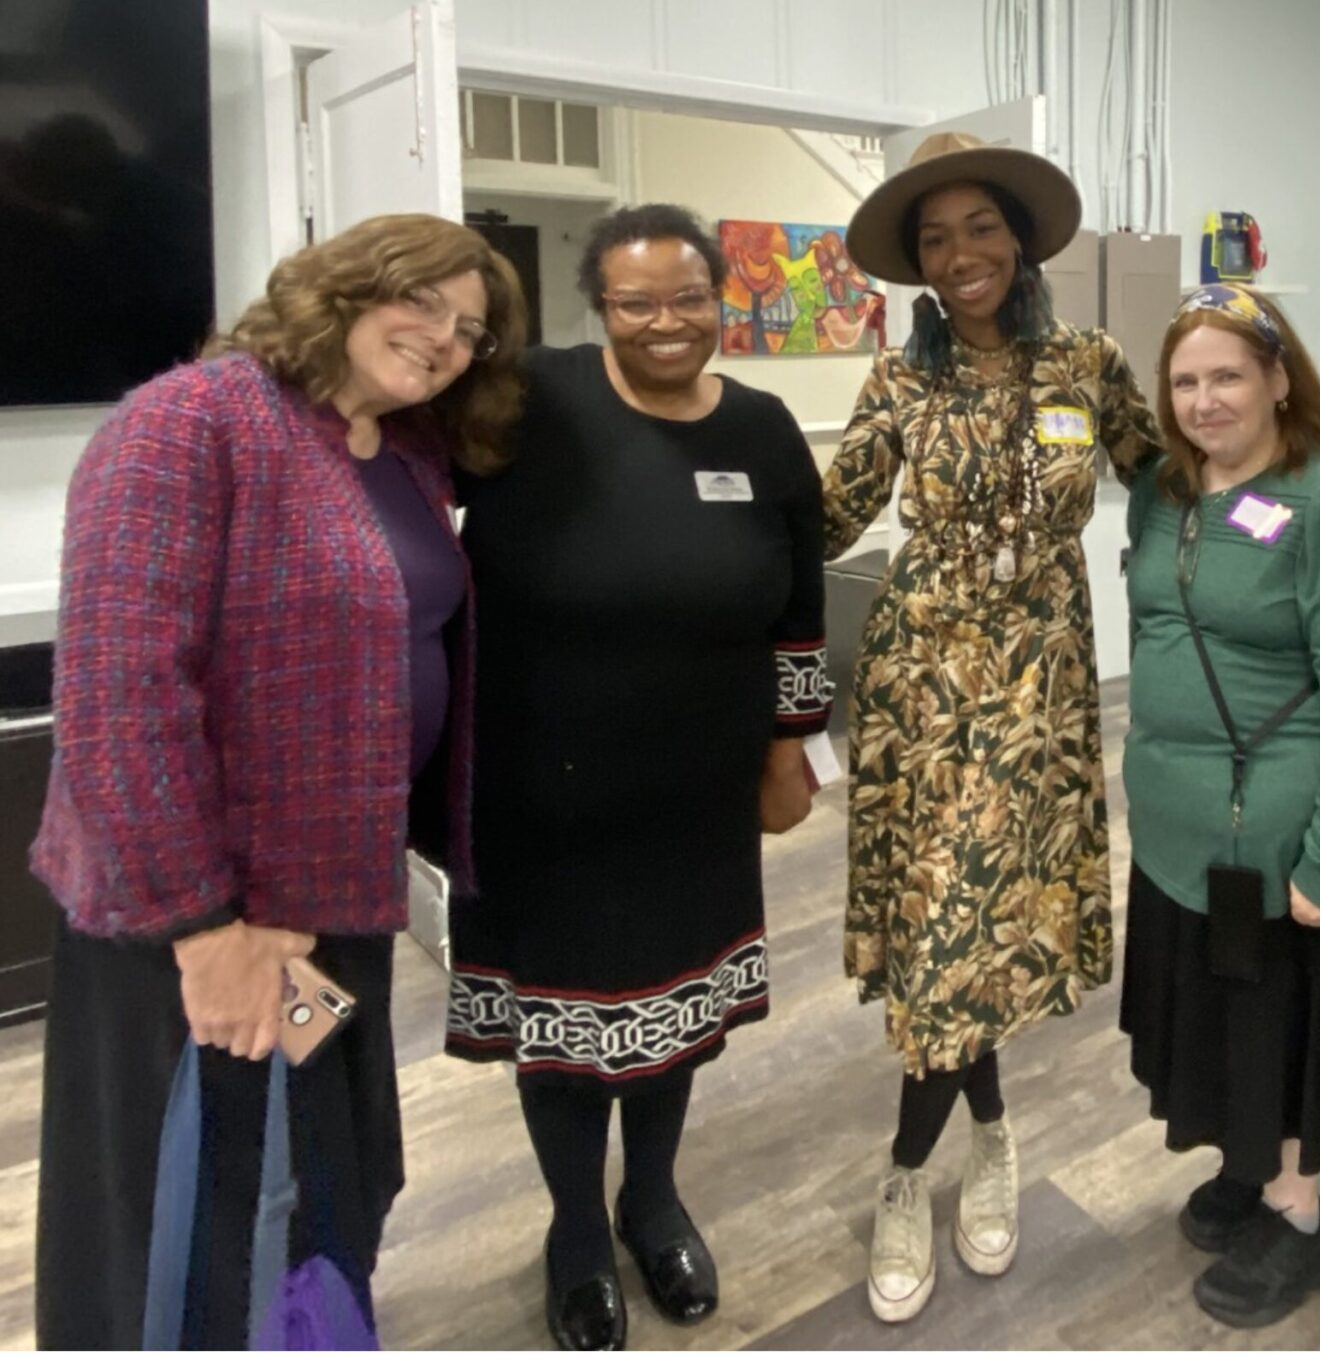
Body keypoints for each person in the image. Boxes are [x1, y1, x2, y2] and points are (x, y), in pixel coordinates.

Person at [31, 213, 527, 1349]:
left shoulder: (401, 448)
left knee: (319, 1179)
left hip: (330, 902)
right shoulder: (190, 420)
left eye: (468, 330)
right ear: (344, 287)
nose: (446, 339)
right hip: (199, 918)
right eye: (425, 304)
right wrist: (207, 933)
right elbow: (120, 698)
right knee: (191, 1211)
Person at [443, 204, 829, 1350]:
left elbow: (799, 612)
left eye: (689, 297)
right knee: (560, 1023)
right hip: (540, 790)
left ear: (722, 299)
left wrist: (787, 748)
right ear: (598, 306)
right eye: (636, 301)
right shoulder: (529, 401)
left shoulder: (762, 432)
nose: (667, 323)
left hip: (695, 789)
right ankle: (573, 1227)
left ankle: (650, 1199)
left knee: (678, 1008)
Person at [823, 131, 1161, 1322]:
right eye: (934, 238)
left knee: (993, 927)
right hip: (926, 690)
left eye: (979, 227)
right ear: (916, 265)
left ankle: (988, 1133)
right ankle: (917, 1169)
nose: (959, 254)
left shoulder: (1085, 362)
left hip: (1046, 684)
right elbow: (824, 520)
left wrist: (1300, 513)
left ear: (1017, 238)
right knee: (942, 926)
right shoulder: (900, 380)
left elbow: (1170, 473)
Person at [1119, 284, 1320, 1329]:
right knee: (1219, 1020)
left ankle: (1300, 1217)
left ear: (1281, 380)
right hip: (1178, 833)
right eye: (1186, 380)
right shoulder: (1165, 488)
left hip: (1278, 831)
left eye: (1228, 374)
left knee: (1275, 1022)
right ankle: (1249, 1167)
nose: (1205, 399)